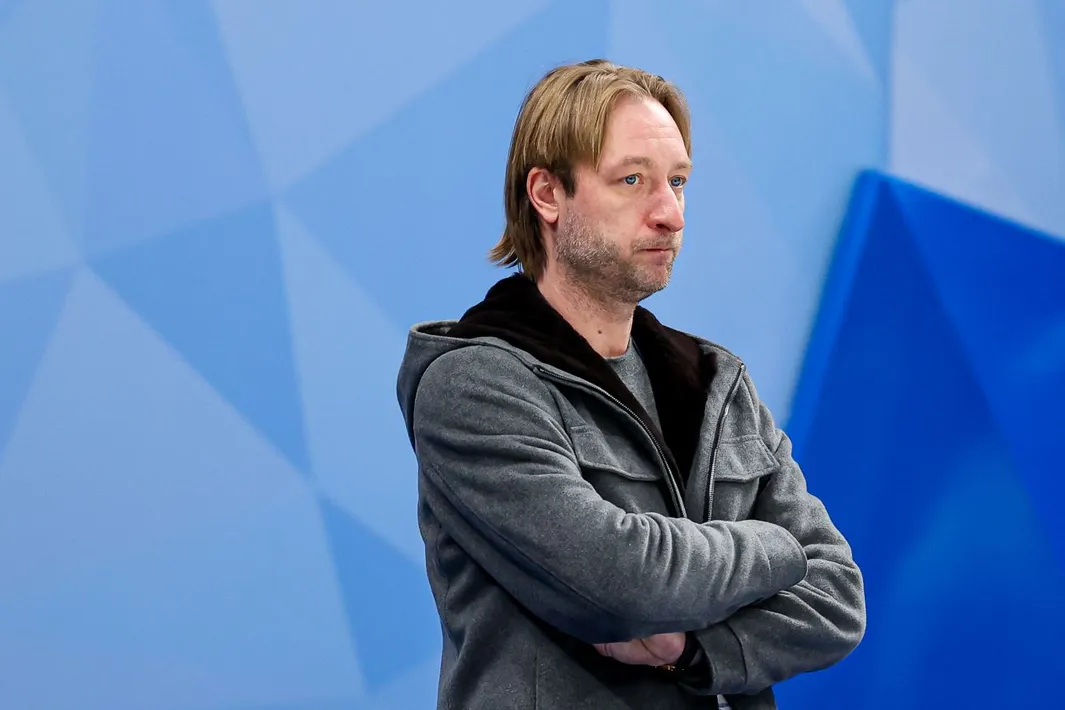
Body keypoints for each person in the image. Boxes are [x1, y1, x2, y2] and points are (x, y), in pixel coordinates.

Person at [396, 59, 865, 710]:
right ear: (547, 194)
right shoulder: (475, 385)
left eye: (678, 181)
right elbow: (619, 582)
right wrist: (775, 546)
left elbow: (838, 598)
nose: (669, 213)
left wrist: (692, 651)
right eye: (632, 180)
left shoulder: (717, 381)